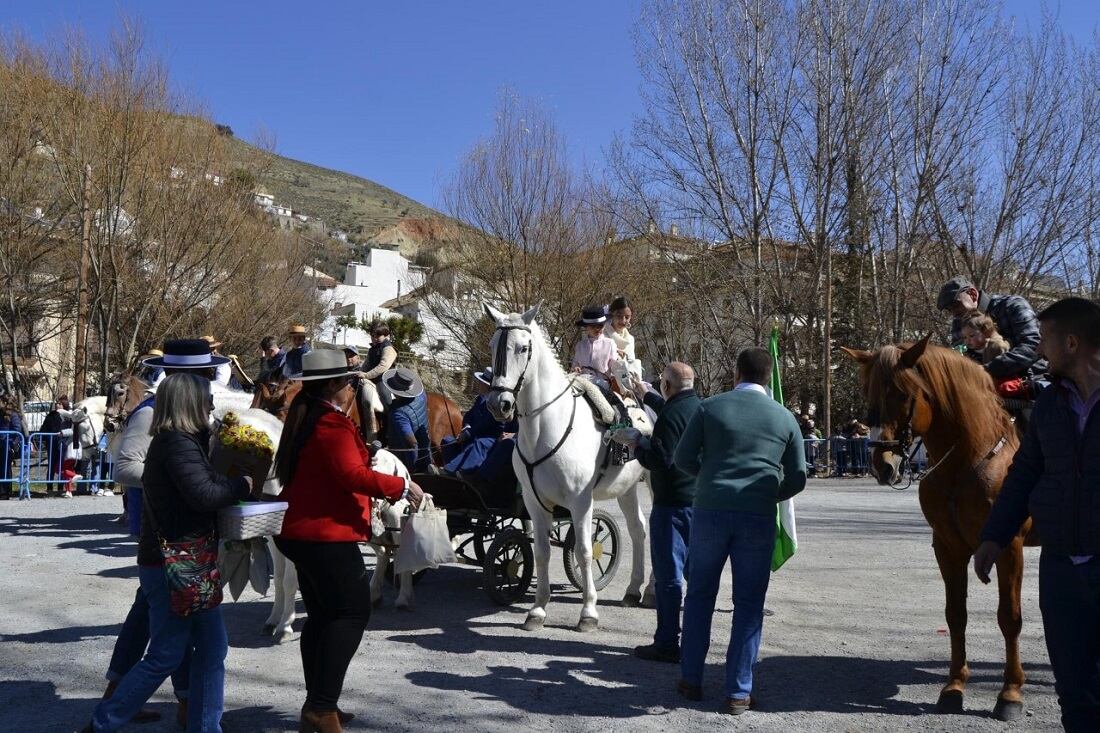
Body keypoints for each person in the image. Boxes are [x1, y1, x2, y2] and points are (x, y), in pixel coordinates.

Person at [84, 371, 260, 733]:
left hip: (187, 563)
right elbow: (206, 495)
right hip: (175, 566)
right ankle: (102, 724)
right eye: (206, 399)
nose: (211, 405)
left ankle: (206, 728)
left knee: (213, 652)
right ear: (190, 403)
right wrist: (241, 483)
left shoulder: (182, 441)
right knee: (166, 654)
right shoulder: (177, 443)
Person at [274, 349, 426, 733]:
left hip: (302, 533)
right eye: (350, 382)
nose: (353, 389)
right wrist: (402, 485)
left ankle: (318, 705)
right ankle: (321, 708)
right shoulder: (331, 425)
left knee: (324, 616)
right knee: (352, 614)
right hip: (324, 534)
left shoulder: (308, 418)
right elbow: (353, 476)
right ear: (335, 386)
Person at [974, 297, 1100, 733]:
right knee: (1073, 688)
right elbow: (1024, 475)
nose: (1039, 350)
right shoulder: (1049, 405)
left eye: (1045, 340)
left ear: (1071, 342)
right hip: (1061, 568)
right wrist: (993, 536)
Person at [673, 347, 807, 714]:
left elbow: (682, 459)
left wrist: (710, 479)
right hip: (758, 516)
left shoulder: (709, 407)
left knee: (700, 595)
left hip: (711, 511)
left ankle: (691, 679)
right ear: (768, 377)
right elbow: (798, 476)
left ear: (736, 373)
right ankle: (737, 691)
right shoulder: (785, 417)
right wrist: (769, 492)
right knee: (749, 605)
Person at [620, 362, 701, 663]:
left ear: (667, 386)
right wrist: (647, 394)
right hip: (697, 504)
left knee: (668, 578)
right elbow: (672, 409)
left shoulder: (667, 417)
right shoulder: (698, 407)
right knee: (696, 574)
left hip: (671, 507)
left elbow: (661, 460)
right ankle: (695, 641)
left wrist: (637, 444)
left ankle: (667, 642)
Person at [937, 276, 1046, 380]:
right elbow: (958, 354)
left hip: (1032, 380)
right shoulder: (958, 323)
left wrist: (988, 369)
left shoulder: (1012, 305)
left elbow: (1034, 345)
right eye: (949, 310)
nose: (953, 313)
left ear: (972, 294)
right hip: (982, 384)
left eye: (956, 305)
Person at [440, 367, 516, 476]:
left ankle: (458, 471)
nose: (477, 384)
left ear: (486, 385)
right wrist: (466, 427)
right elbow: (469, 415)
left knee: (479, 444)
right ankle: (448, 468)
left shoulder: (496, 403)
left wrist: (469, 433)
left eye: (480, 382)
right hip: (475, 433)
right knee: (448, 441)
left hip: (492, 437)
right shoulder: (480, 398)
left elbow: (487, 423)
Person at [960, 312, 1030, 398]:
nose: (967, 341)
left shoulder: (995, 346)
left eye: (971, 336)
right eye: (964, 338)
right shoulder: (970, 353)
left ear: (985, 331)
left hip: (1007, 390)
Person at [381, 367, 431, 474]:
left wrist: (411, 470)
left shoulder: (398, 414)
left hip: (405, 460)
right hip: (426, 449)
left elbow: (412, 443)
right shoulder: (421, 395)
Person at [571, 305, 616, 388]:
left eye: (600, 326)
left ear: (604, 325)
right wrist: (576, 368)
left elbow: (614, 365)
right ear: (586, 327)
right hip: (582, 382)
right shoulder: (580, 345)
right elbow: (575, 364)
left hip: (602, 383)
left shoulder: (610, 343)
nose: (597, 329)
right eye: (593, 326)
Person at [605, 296, 643, 380]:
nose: (623, 320)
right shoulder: (602, 335)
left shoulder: (630, 339)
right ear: (612, 314)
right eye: (619, 316)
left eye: (627, 317)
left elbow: (631, 364)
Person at [41, 395, 73, 488]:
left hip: (64, 443)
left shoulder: (69, 417)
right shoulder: (50, 415)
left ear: (64, 406)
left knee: (62, 465)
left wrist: (63, 433)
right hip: (52, 443)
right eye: (57, 403)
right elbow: (43, 429)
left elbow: (72, 430)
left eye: (59, 404)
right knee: (51, 465)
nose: (57, 405)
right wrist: (46, 438)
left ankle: (60, 486)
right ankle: (49, 486)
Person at [0, 396, 23, 499]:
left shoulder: (13, 415)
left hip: (7, 445)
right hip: (2, 444)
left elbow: (17, 431)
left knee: (5, 468)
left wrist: (12, 444)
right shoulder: (2, 414)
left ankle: (5, 492)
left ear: (4, 402)